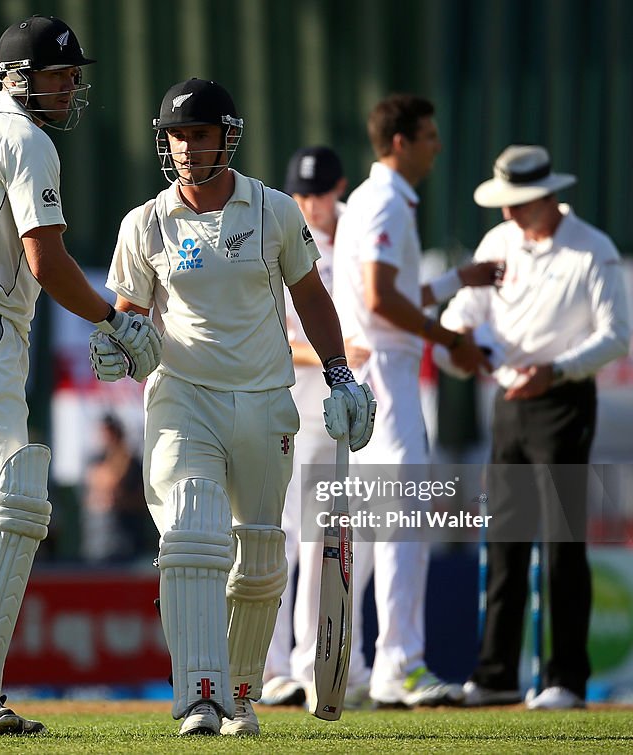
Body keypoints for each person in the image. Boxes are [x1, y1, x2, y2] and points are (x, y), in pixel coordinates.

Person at [90, 79, 375, 736]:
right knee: (190, 533)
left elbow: (310, 296)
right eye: (175, 136)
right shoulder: (145, 222)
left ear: (228, 136)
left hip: (266, 402)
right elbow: (127, 319)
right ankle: (199, 692)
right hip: (183, 399)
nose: (186, 148)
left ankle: (240, 691)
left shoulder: (273, 210)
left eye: (198, 134)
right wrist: (114, 350)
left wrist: (339, 375)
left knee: (259, 558)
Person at [0, 15, 161, 735]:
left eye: (73, 75)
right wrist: (116, 319)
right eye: (59, 75)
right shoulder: (26, 140)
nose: (71, 85)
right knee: (9, 503)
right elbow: (47, 262)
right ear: (20, 78)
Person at [442, 145, 629, 710]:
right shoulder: (498, 243)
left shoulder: (593, 250)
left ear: (549, 196)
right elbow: (460, 317)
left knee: (562, 544)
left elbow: (617, 335)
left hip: (565, 403)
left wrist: (556, 371)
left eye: (519, 203)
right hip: (508, 405)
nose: (508, 215)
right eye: (505, 204)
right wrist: (461, 349)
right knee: (504, 542)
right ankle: (496, 675)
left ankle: (565, 680)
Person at [332, 93, 502, 708]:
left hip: (378, 372)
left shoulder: (373, 202)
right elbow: (381, 299)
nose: (436, 145)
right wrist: (449, 335)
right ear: (400, 142)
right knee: (403, 525)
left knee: (379, 530)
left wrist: (459, 282)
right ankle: (398, 665)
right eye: (428, 135)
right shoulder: (384, 203)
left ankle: (346, 664)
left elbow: (392, 292)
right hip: (387, 377)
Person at [261, 146, 362, 707]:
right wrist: (334, 356)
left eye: (317, 194)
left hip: (343, 415)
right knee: (283, 538)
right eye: (300, 195)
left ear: (337, 188)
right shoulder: (284, 239)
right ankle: (272, 665)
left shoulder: (356, 237)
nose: (308, 205)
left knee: (329, 540)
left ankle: (314, 662)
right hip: (294, 410)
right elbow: (280, 334)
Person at [81, 414, 150, 563]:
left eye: (111, 432)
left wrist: (119, 499)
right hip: (97, 541)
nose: (107, 437)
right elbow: (95, 491)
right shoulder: (94, 460)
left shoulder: (133, 463)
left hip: (127, 540)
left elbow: (142, 500)